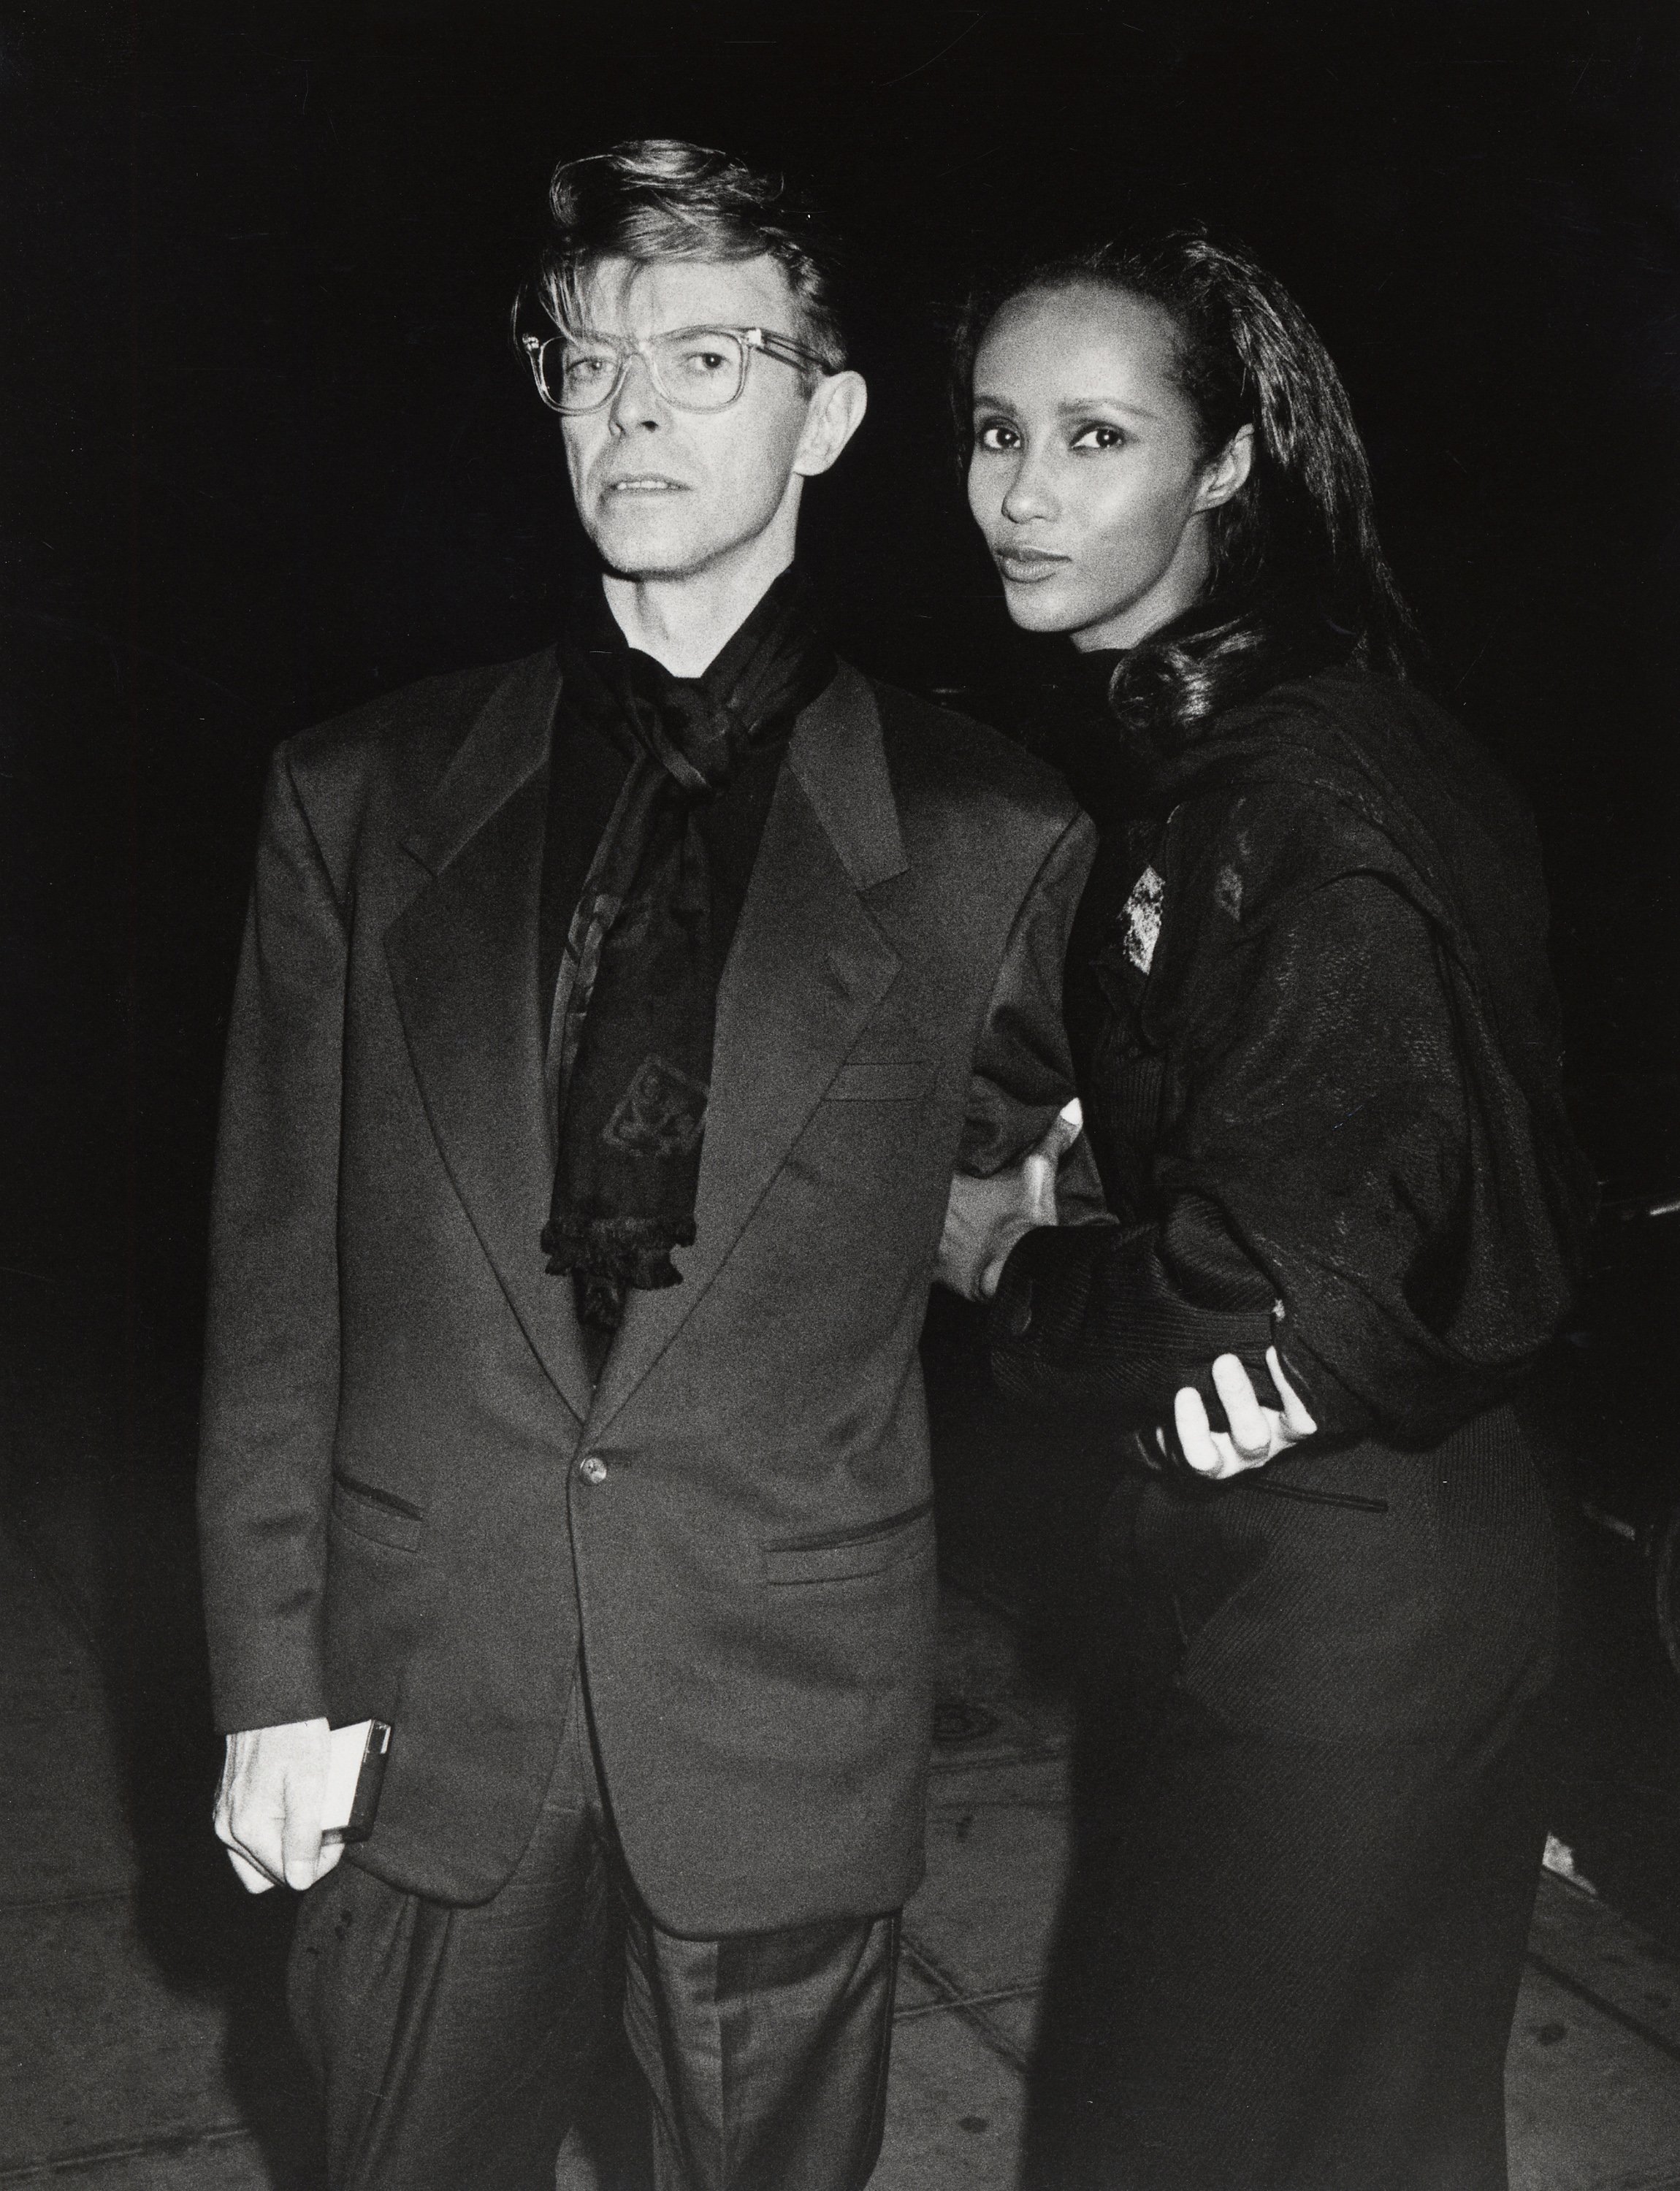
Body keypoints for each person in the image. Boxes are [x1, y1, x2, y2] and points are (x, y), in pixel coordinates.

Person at [196, 139, 1110, 2191]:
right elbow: (274, 1277)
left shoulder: (994, 841)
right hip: (425, 1703)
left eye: (706, 359)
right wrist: (271, 1679)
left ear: (831, 410)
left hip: (776, 1715)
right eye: (588, 359)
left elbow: (1043, 1208)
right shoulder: (356, 796)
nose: (632, 412)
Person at [937, 233, 1595, 2190]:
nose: (1020, 492)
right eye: (992, 432)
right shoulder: (1269, 736)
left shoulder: (1284, 782)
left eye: (1091, 435)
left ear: (1222, 467)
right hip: (1404, 1557)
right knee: (1375, 2149)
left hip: (1343, 1596)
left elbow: (1293, 1284)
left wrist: (1010, 1272)